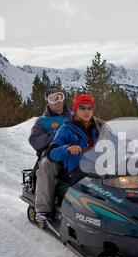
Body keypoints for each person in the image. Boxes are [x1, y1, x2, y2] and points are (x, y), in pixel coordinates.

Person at [35, 93, 98, 222]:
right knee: (46, 164)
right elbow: (52, 152)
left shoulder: (99, 126)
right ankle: (43, 209)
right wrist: (67, 148)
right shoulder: (66, 128)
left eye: (89, 108)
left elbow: (114, 139)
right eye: (82, 107)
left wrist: (127, 142)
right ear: (75, 110)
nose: (86, 111)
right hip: (76, 168)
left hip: (98, 168)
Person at [29, 87, 72, 157]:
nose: (58, 101)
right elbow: (35, 142)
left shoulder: (74, 116)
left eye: (59, 97)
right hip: (51, 158)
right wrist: (56, 135)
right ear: (48, 103)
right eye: (53, 99)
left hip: (75, 153)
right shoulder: (42, 121)